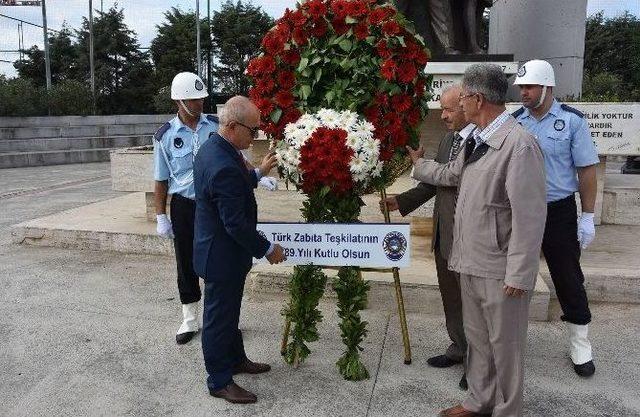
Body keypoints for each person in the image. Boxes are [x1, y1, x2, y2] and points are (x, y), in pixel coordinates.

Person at [409, 64, 547, 417]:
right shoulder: (476, 139)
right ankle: (478, 401)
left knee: (506, 347)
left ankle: (506, 409)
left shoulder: (518, 145)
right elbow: (452, 175)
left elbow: (529, 218)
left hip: (500, 269)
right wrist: (420, 165)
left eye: (463, 98)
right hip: (469, 260)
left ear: (477, 98)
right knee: (479, 342)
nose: (456, 107)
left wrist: (519, 273)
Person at [153, 72, 278, 345]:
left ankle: (221, 318)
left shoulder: (215, 125)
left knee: (219, 261)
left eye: (201, 99)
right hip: (185, 205)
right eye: (194, 100)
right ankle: (189, 318)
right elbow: (161, 178)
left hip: (213, 205)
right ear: (180, 101)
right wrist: (160, 214)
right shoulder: (165, 135)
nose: (199, 104)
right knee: (186, 261)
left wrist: (256, 175)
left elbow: (236, 158)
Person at [380, 84, 474, 390]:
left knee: (473, 303)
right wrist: (402, 201)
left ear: (466, 106)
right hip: (444, 234)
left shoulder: (480, 140)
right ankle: (459, 348)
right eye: (442, 109)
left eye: (448, 110)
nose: (443, 116)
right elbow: (434, 183)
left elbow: (450, 175)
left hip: (470, 237)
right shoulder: (450, 139)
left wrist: (419, 164)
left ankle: (477, 363)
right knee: (451, 296)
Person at [193, 96, 286, 404]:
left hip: (222, 253)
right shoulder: (222, 163)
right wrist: (268, 248)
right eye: (253, 130)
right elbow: (234, 223)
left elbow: (237, 181)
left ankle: (235, 359)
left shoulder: (216, 147)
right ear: (232, 127)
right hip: (222, 255)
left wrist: (257, 174)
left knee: (230, 311)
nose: (256, 135)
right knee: (219, 317)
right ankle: (219, 379)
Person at [513, 59, 599, 377]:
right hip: (521, 211)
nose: (523, 92)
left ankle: (580, 344)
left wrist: (587, 216)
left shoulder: (572, 121)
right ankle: (510, 341)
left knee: (568, 278)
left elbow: (587, 170)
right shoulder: (515, 121)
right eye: (521, 87)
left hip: (558, 210)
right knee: (513, 275)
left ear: (547, 87)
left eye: (529, 87)